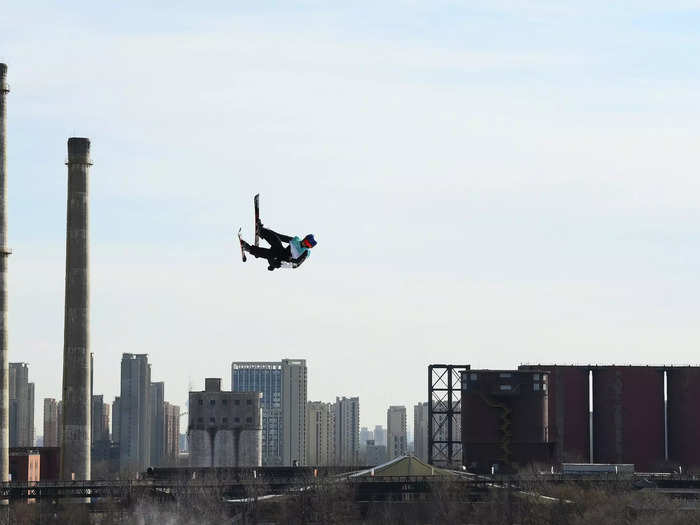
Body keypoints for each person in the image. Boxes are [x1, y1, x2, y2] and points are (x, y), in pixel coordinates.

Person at [241, 220, 317, 271]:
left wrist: (279, 265)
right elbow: (280, 237)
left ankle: (249, 248)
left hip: (281, 261)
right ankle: (261, 231)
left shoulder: (305, 252)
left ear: (310, 247)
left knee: (272, 254)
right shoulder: (296, 240)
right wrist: (266, 230)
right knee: (276, 241)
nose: (305, 244)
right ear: (304, 238)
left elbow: (296, 264)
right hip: (281, 252)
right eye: (306, 241)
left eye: (308, 245)